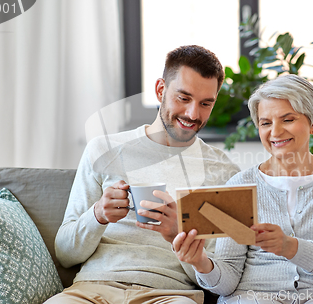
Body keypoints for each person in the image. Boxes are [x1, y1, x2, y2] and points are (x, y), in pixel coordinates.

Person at [45, 45, 240, 304]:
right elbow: (65, 254)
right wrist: (98, 216)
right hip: (91, 289)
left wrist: (177, 235)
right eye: (183, 98)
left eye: (206, 103)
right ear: (161, 90)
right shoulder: (103, 150)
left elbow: (217, 275)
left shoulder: (224, 171)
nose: (193, 114)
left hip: (169, 295)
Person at [173, 74, 313, 304]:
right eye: (265, 123)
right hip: (256, 297)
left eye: (288, 119)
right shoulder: (239, 185)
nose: (275, 132)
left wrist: (289, 246)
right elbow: (228, 283)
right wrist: (201, 262)